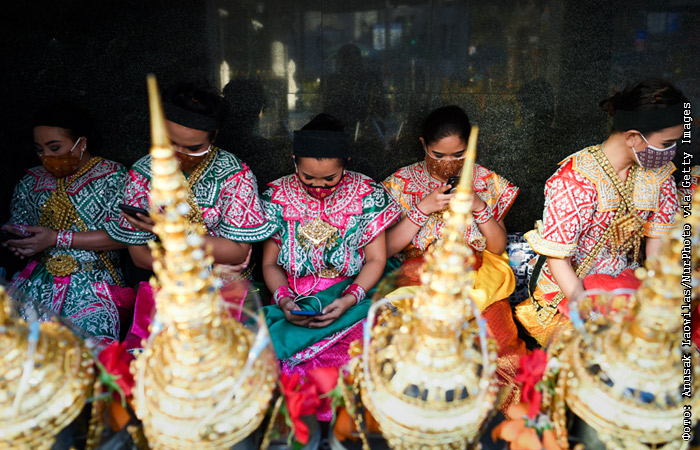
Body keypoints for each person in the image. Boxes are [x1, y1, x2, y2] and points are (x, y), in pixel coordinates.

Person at [106, 81, 277, 350]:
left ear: (213, 136)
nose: (180, 155)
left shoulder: (234, 174)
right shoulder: (142, 174)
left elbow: (236, 252)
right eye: (171, 144)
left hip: (227, 285)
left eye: (194, 148)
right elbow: (139, 256)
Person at [516, 78, 684, 347]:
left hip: (627, 281)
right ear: (632, 137)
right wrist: (587, 313)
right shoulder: (575, 180)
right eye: (666, 144)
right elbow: (558, 259)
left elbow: (657, 244)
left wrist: (658, 293)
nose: (672, 152)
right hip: (571, 288)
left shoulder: (659, 176)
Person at [382, 105, 528, 406]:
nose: (448, 164)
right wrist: (423, 208)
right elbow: (387, 248)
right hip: (417, 277)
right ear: (423, 145)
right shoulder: (400, 183)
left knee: (498, 340)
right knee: (417, 342)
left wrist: (479, 206)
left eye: (458, 155)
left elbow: (497, 246)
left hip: (476, 276)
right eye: (438, 155)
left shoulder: (487, 181)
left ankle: (504, 415)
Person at [259, 113, 400, 415]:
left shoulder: (367, 194)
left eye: (329, 179)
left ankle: (344, 425)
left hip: (352, 294)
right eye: (308, 177)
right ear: (294, 161)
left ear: (346, 163)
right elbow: (270, 264)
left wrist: (349, 300)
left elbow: (376, 259)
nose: (318, 187)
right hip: (294, 298)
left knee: (366, 359)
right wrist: (284, 300)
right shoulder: (277, 196)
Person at [2, 101, 133, 347]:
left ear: (81, 144)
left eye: (55, 147)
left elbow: (127, 235)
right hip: (36, 282)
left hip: (93, 283)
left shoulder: (113, 177)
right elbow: (19, 227)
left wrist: (57, 238)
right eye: (39, 149)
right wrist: (22, 243)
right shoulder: (31, 181)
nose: (47, 156)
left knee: (84, 355)